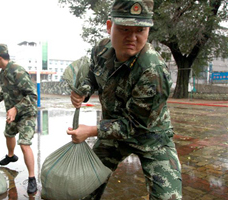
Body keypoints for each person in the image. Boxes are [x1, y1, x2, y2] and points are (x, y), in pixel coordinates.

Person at [67, 0, 182, 199]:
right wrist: (83, 91)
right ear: (110, 27)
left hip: (150, 137)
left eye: (140, 30)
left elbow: (136, 126)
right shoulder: (101, 50)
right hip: (113, 136)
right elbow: (93, 75)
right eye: (125, 29)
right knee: (83, 187)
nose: (132, 37)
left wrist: (92, 131)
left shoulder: (153, 70)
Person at [0, 44, 38, 194]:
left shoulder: (17, 71)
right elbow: (6, 91)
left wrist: (16, 108)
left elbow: (32, 95)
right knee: (8, 134)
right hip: (13, 113)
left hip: (26, 113)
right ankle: (11, 156)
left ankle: (32, 178)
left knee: (24, 144)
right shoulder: (2, 74)